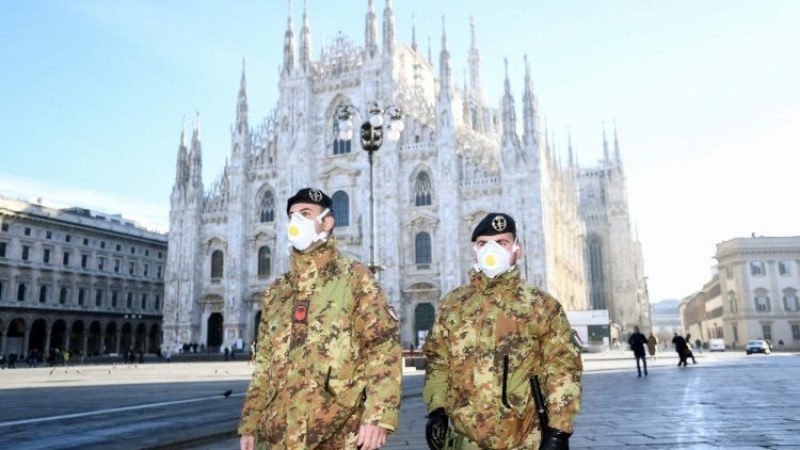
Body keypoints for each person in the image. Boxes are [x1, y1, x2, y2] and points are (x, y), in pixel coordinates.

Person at [238, 188, 402, 450]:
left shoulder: (356, 277)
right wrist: (249, 424)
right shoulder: (277, 291)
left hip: (339, 431)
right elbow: (264, 366)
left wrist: (378, 416)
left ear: (327, 222)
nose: (296, 222)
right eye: (292, 216)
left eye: (305, 214)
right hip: (277, 434)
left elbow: (383, 349)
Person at [423, 213, 582, 450]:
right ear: (474, 250)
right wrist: (437, 410)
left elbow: (562, 368)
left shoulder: (540, 305)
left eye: (501, 243)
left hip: (524, 439)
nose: (491, 250)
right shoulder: (453, 305)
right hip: (463, 440)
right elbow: (438, 362)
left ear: (517, 249)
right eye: (483, 243)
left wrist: (558, 431)